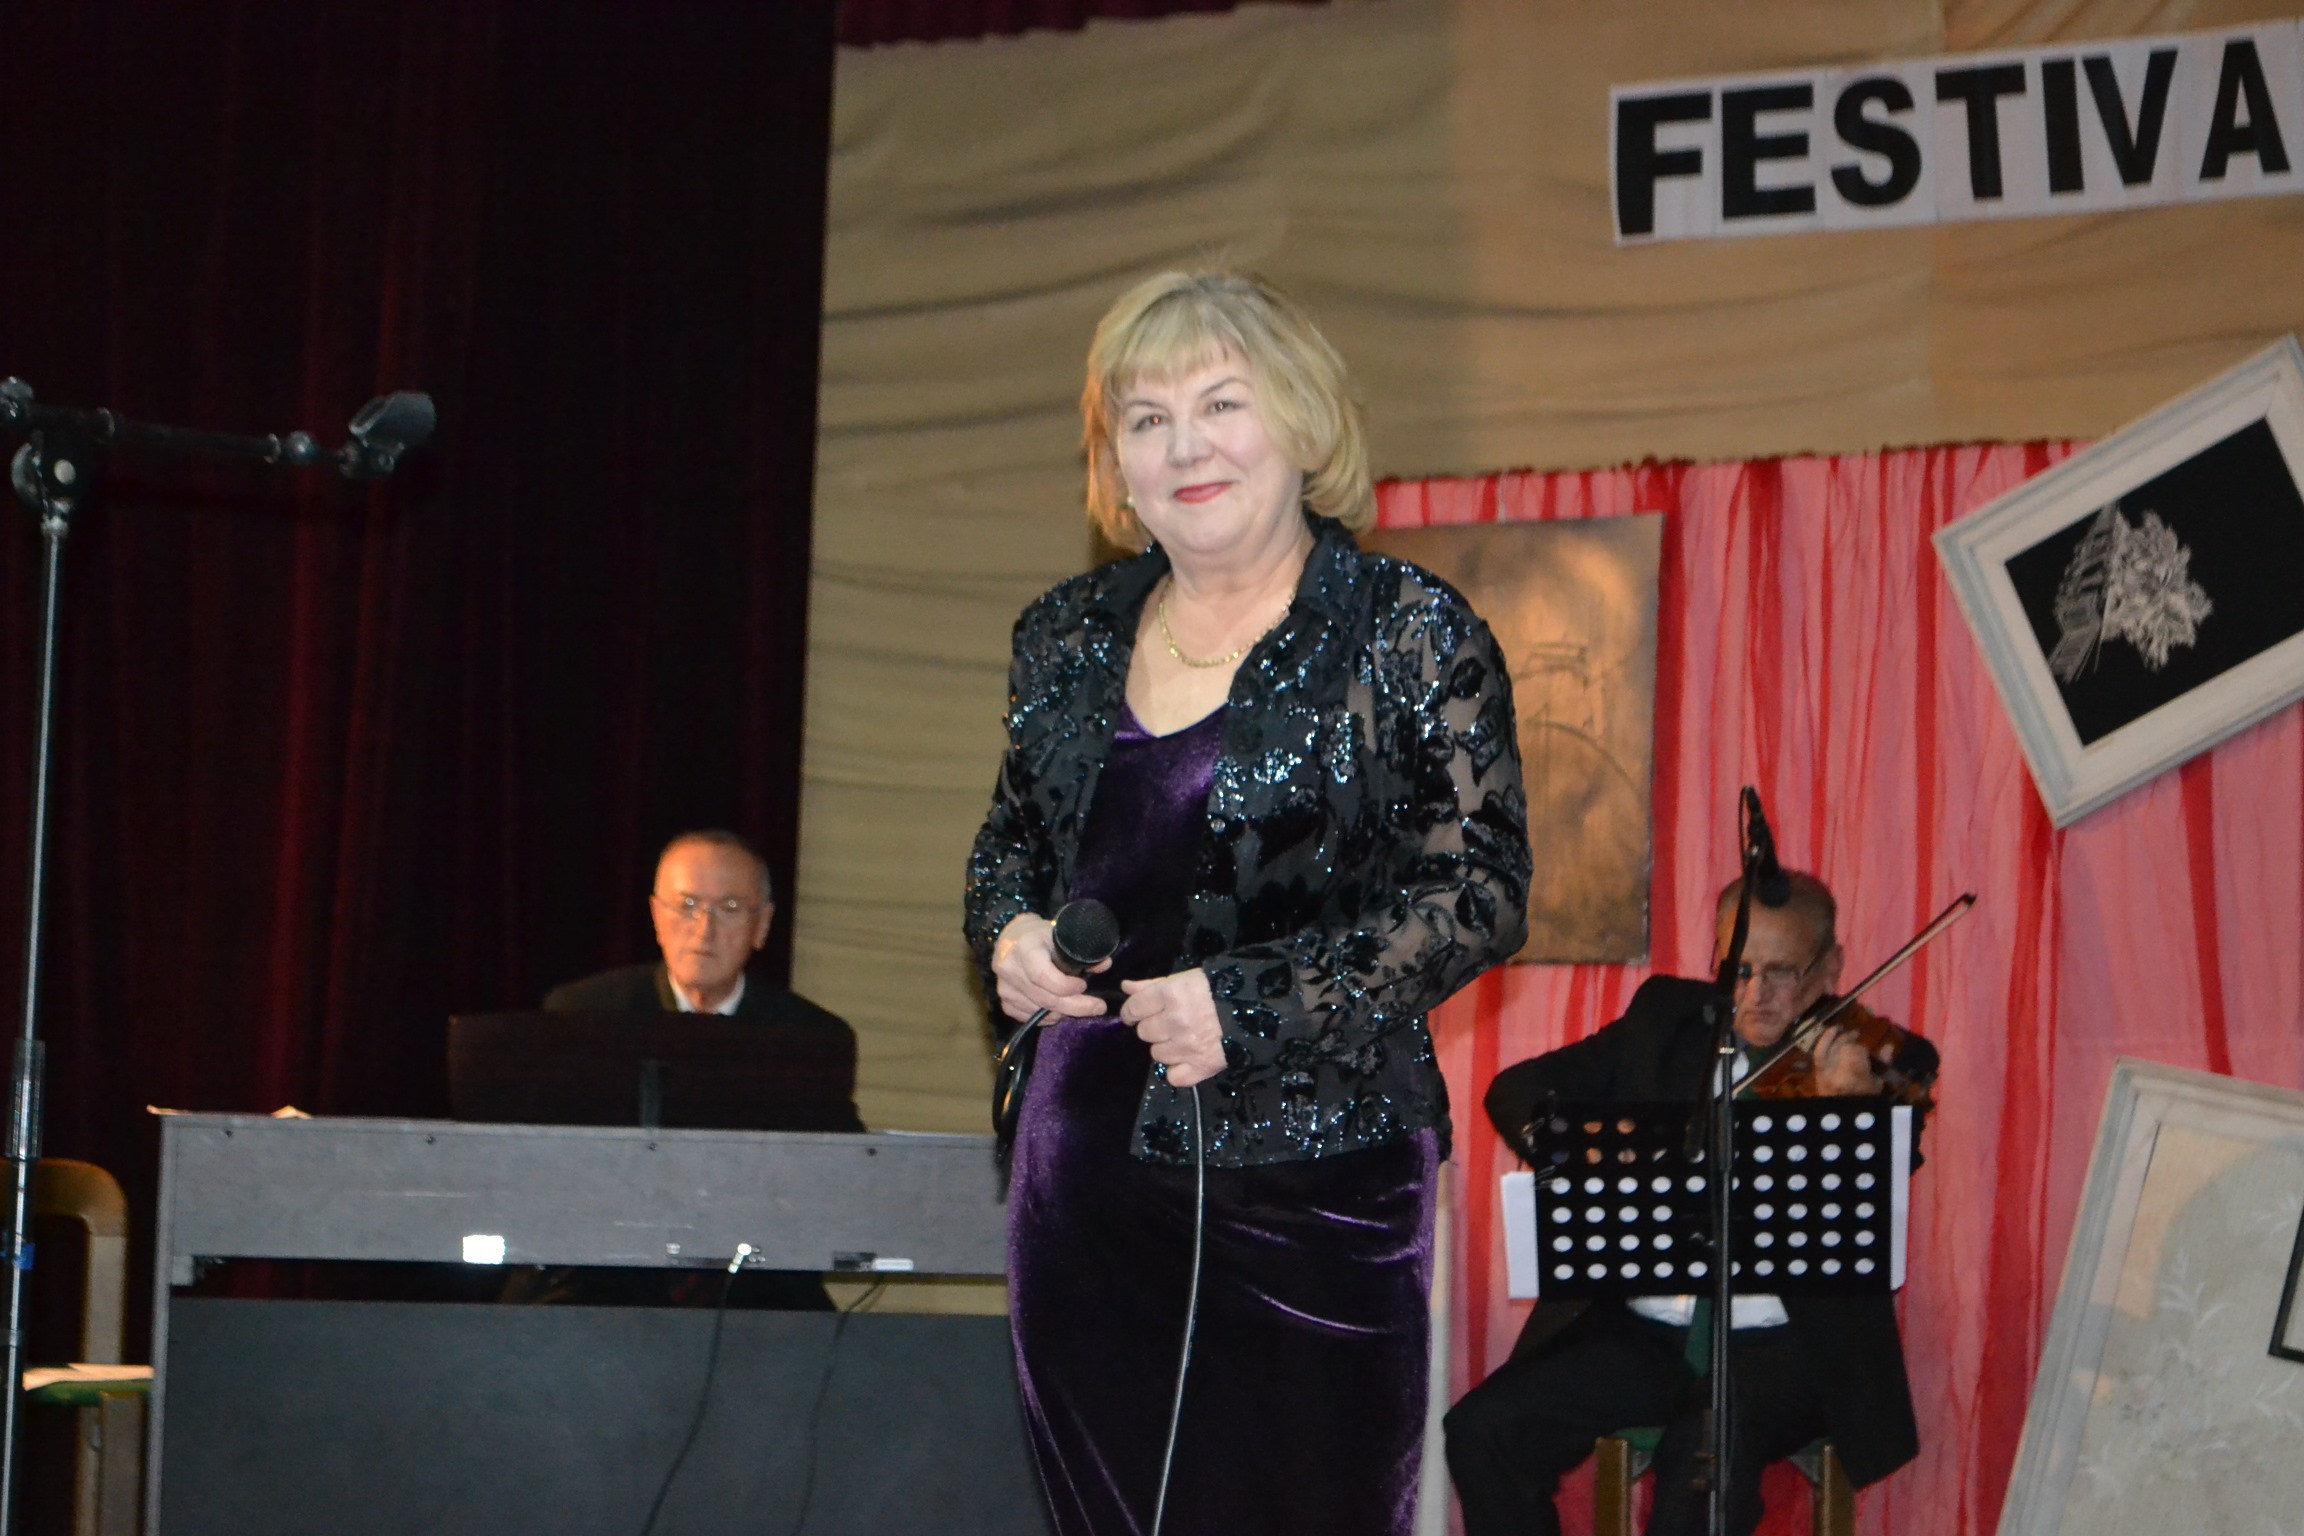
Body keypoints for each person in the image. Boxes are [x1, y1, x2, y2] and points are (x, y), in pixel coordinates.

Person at [965, 270, 1532, 1536]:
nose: (1186, 446)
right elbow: (1007, 849)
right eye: (1147, 419)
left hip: (1320, 1177)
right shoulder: (1064, 636)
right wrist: (1010, 937)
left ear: (1303, 422)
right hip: (1085, 1171)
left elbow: (1483, 890)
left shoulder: (1406, 631)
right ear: (1116, 465)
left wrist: (1251, 1005)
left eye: (1221, 403)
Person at [1444, 871, 1940, 1536]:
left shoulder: (1872, 1059)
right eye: (1738, 969)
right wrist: (1587, 1154)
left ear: (1831, 968)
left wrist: (1845, 1111)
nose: (1755, 996)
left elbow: (1884, 1177)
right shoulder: (1666, 1020)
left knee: (1706, 1456)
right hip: (1646, 1335)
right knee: (1483, 1431)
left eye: (1782, 972)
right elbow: (1518, 1088)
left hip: (1785, 1350)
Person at [546, 830, 852, 1046]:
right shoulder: (584, 1016)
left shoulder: (809, 1038)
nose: (705, 929)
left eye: (729, 908)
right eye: (687, 905)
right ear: (657, 917)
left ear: (762, 925)